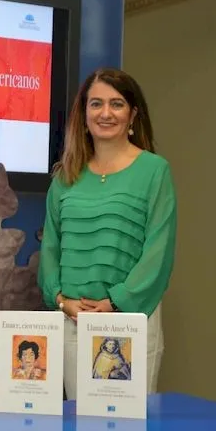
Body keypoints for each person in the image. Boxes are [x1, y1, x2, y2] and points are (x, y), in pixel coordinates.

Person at [37, 67, 177, 398]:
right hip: (74, 322)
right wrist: (61, 301)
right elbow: (51, 249)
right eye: (96, 104)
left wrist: (116, 303)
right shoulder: (65, 177)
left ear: (133, 114)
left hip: (131, 319)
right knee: (81, 426)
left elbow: (159, 249)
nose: (105, 113)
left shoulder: (155, 171)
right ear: (83, 114)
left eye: (116, 104)